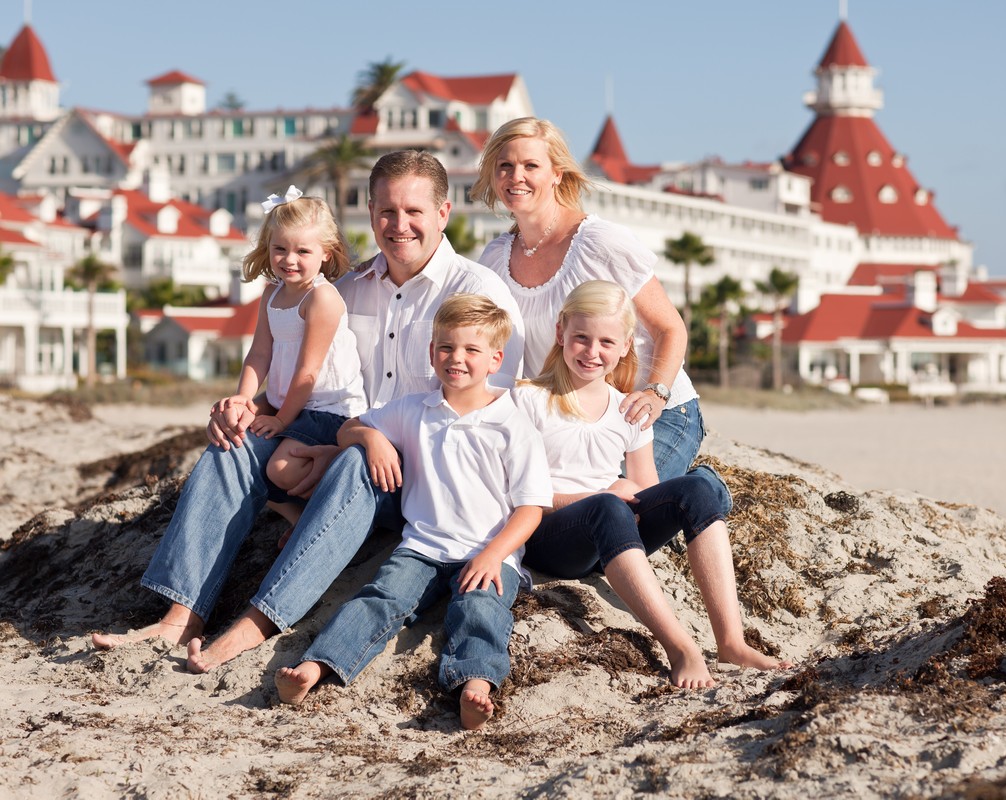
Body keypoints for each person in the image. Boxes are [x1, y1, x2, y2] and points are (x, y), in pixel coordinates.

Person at [92, 151, 525, 657]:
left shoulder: (477, 293)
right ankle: (181, 614)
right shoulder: (343, 290)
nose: (399, 225)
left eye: (414, 212)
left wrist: (347, 447)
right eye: (386, 211)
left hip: (416, 475)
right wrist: (245, 406)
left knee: (359, 463)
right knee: (232, 448)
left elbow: (484, 418)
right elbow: (304, 378)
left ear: (443, 213)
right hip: (338, 439)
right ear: (369, 212)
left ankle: (256, 622)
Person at [275, 294, 550, 730]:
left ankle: (475, 683)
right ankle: (316, 667)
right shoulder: (413, 409)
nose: (456, 359)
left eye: (471, 350)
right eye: (446, 347)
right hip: (421, 548)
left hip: (488, 553)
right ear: (431, 352)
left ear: (496, 358)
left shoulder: (512, 424)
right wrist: (374, 439)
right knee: (379, 599)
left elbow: (530, 509)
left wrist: (494, 555)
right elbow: (348, 429)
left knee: (481, 608)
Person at [511, 280, 787, 689]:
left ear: (625, 346)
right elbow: (517, 495)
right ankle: (680, 649)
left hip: (612, 537)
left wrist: (633, 499)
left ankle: (731, 641)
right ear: (560, 333)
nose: (592, 352)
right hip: (553, 538)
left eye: (607, 341)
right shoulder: (528, 400)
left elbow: (645, 491)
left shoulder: (627, 409)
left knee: (696, 489)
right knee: (608, 506)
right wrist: (599, 495)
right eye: (581, 338)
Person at [471, 117, 717, 483]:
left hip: (651, 415)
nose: (515, 176)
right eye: (504, 166)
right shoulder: (494, 259)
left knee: (613, 504)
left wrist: (656, 393)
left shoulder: (601, 242)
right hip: (569, 418)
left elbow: (671, 328)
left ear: (557, 174)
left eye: (530, 166)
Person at [215, 187, 367, 538]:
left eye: (303, 251)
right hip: (291, 407)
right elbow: (259, 354)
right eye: (279, 248)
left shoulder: (322, 298)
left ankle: (328, 513)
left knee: (281, 468)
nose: (289, 259)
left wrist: (280, 420)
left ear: (325, 253)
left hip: (328, 409)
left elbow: (308, 372)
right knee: (243, 450)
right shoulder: (271, 292)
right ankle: (297, 516)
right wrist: (244, 399)